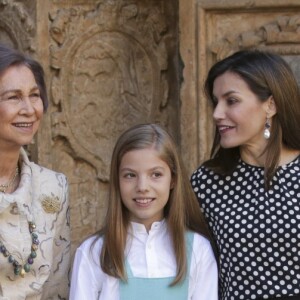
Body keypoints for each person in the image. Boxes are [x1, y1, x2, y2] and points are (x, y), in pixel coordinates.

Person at [191, 49, 300, 300]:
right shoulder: (207, 182)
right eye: (215, 102)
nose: (217, 114)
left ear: (270, 105)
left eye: (231, 100)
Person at [70, 123, 218, 300]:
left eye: (156, 174)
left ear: (173, 180)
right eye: (130, 175)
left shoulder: (197, 249)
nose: (142, 187)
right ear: (117, 181)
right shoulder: (95, 252)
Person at [0, 43, 70, 299]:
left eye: (35, 95)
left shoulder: (54, 187)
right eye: (13, 97)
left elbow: (57, 285)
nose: (29, 109)